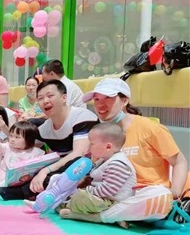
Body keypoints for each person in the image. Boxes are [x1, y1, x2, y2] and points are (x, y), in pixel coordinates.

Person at [60, 78, 188, 225]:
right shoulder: (99, 134)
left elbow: (179, 162)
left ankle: (100, 217)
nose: (100, 104)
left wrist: (175, 192)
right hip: (111, 196)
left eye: (108, 97)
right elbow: (98, 174)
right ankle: (116, 215)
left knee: (160, 195)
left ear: (125, 100)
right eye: (96, 99)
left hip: (144, 197)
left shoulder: (150, 128)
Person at [0, 79, 99, 201]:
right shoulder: (44, 128)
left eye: (50, 96)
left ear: (64, 98)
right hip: (60, 167)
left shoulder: (81, 116)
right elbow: (24, 146)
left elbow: (79, 153)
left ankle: (24, 192)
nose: (45, 101)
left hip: (87, 168)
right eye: (40, 98)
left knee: (76, 162)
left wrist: (45, 171)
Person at [57, 123, 136, 227]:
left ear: (108, 146)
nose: (88, 147)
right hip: (104, 199)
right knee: (71, 193)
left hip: (115, 203)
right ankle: (68, 204)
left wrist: (86, 190)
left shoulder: (118, 163)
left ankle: (69, 206)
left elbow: (107, 190)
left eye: (91, 144)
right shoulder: (103, 160)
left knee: (81, 196)